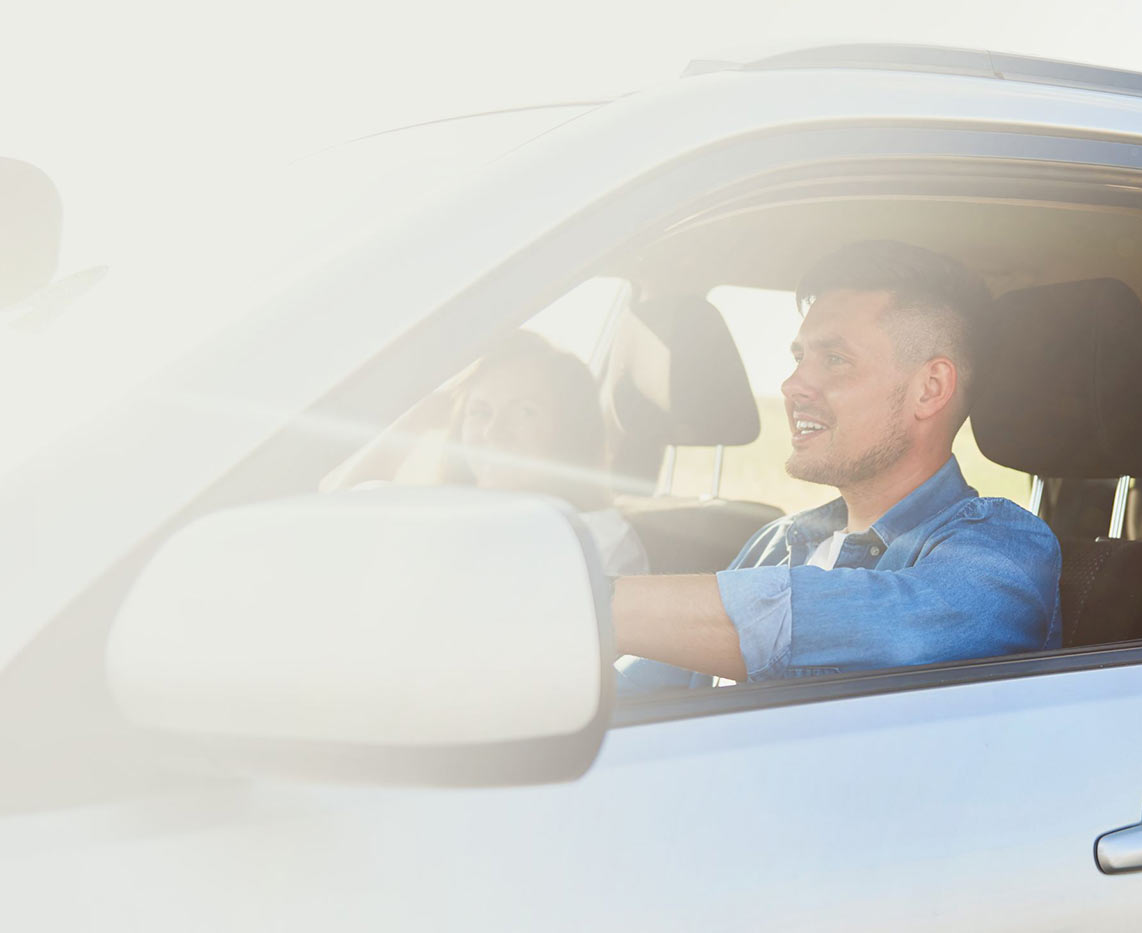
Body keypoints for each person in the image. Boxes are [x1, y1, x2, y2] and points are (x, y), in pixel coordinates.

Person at [611, 240, 1062, 683]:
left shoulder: (1007, 549)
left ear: (930, 388)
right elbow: (641, 688)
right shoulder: (778, 541)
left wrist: (599, 605)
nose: (792, 384)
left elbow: (898, 635)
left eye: (835, 359)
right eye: (799, 357)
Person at [325, 330, 648, 576]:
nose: (493, 431)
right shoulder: (448, 511)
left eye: (525, 412)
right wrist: (413, 424)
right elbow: (329, 522)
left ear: (571, 432)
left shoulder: (598, 540)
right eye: (479, 411)